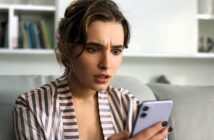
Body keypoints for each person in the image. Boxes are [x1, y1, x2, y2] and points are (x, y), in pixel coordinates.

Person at [13, 0, 172, 139]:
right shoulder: (32, 106)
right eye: (93, 49)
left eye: (116, 51)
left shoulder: (129, 105)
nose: (107, 64)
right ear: (68, 49)